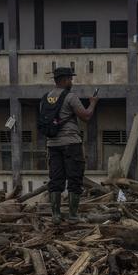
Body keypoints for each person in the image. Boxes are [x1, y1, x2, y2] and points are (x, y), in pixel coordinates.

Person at [43, 67, 98, 223]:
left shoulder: (45, 98)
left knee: (56, 178)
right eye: (70, 79)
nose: (71, 82)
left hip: (52, 144)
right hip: (71, 143)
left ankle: (56, 215)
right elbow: (86, 116)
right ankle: (73, 215)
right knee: (74, 178)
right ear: (65, 80)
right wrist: (93, 103)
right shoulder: (70, 97)